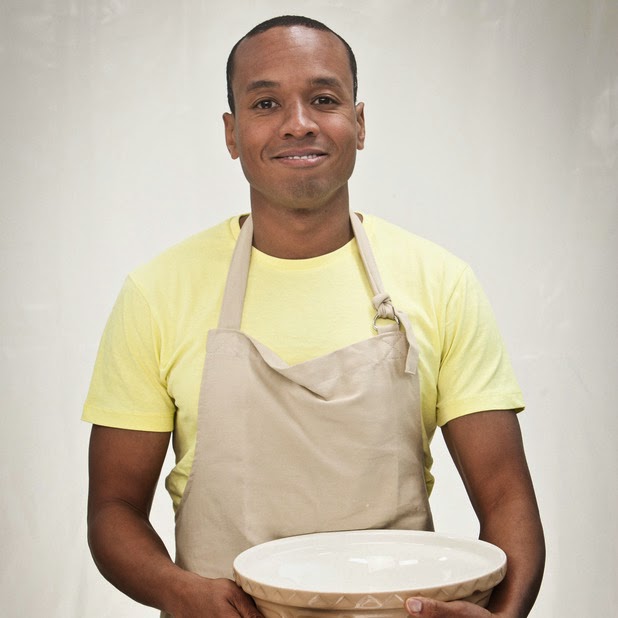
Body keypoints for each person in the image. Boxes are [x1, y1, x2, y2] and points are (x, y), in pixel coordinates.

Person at [83, 15, 545, 618]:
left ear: (359, 123)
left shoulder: (441, 284)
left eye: (324, 99)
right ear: (232, 133)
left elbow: (506, 493)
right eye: (266, 103)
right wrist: (180, 591)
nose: (298, 123)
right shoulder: (157, 292)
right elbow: (113, 506)